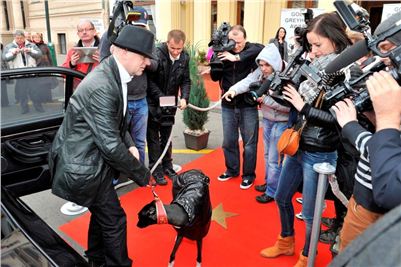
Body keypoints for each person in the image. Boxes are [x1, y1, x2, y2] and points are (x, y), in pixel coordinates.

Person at [49, 25, 153, 266]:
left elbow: (117, 120)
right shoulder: (103, 84)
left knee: (103, 215)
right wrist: (142, 173)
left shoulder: (114, 73)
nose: (147, 63)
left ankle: (96, 258)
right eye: (144, 56)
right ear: (124, 52)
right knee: (114, 219)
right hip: (84, 166)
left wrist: (129, 143)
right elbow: (109, 144)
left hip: (93, 161)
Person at [260, 13, 353, 267]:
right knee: (281, 197)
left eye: (318, 45)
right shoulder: (315, 65)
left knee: (311, 215)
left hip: (321, 153)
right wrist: (277, 90)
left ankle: (306, 255)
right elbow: (295, 98)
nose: (314, 51)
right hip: (298, 143)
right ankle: (286, 240)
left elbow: (338, 119)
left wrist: (303, 107)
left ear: (335, 40)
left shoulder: (346, 71)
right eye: (311, 45)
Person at [332, 12, 401, 252]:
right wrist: (377, 116)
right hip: (363, 198)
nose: (383, 61)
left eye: (388, 50)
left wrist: (350, 126)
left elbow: (391, 183)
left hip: (376, 211)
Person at [222, 43, 289, 202]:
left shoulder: (288, 76)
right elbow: (248, 80)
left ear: (275, 63)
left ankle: (272, 191)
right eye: (261, 64)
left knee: (274, 159)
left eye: (267, 65)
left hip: (281, 122)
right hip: (268, 119)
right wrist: (233, 90)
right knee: (267, 156)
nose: (264, 68)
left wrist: (265, 99)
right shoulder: (262, 72)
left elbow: (289, 106)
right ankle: (269, 183)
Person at [99, 6, 156, 164]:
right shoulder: (111, 36)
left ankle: (139, 173)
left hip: (141, 100)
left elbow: (156, 64)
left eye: (141, 27)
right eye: (135, 26)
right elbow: (104, 62)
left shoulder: (148, 38)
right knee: (118, 140)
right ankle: (117, 177)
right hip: (121, 98)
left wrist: (142, 59)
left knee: (139, 142)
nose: (138, 31)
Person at [211, 25, 264, 189]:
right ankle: (231, 169)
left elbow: (263, 48)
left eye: (240, 43)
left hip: (247, 104)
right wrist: (216, 61)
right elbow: (214, 78)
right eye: (234, 43)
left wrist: (238, 57)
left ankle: (248, 175)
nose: (237, 46)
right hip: (227, 104)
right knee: (229, 141)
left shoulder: (252, 50)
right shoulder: (224, 51)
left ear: (245, 40)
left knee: (249, 143)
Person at [146, 29, 191, 185]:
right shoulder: (156, 54)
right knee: (153, 139)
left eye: (179, 49)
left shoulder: (184, 57)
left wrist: (185, 97)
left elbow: (186, 80)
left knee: (167, 137)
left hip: (170, 103)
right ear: (167, 43)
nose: (176, 52)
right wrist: (162, 98)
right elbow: (149, 81)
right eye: (172, 48)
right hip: (153, 102)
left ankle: (167, 166)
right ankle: (156, 170)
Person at [2, 30, 42, 114]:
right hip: (19, 72)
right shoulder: (9, 46)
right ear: (14, 38)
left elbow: (39, 54)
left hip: (31, 71)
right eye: (17, 38)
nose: (19, 39)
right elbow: (4, 57)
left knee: (34, 91)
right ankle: (24, 108)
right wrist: (13, 53)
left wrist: (30, 51)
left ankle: (38, 106)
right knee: (22, 92)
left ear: (24, 38)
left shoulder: (31, 45)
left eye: (21, 38)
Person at [62, 19, 100, 88]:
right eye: (81, 30)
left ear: (94, 31)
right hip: (79, 91)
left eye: (88, 29)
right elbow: (63, 74)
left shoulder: (104, 49)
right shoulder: (72, 51)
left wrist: (103, 62)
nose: (84, 32)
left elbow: (114, 72)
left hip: (98, 90)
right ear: (78, 34)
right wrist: (71, 64)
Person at [31, 32, 57, 103]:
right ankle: (41, 99)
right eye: (35, 37)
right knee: (39, 84)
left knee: (47, 83)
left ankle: (48, 98)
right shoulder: (31, 46)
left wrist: (51, 66)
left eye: (38, 37)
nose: (37, 39)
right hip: (37, 67)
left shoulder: (45, 46)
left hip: (46, 66)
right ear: (33, 38)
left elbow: (49, 56)